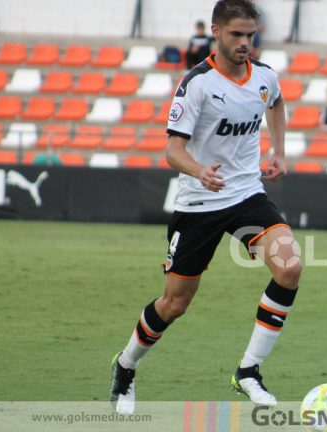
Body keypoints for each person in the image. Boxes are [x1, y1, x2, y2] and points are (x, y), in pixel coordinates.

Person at [110, 0, 299, 414]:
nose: (245, 43)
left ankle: (248, 372)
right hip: (198, 203)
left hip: (247, 195)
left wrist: (279, 151)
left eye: (250, 35)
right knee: (174, 304)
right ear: (216, 31)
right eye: (236, 34)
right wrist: (199, 170)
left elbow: (277, 103)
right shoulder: (196, 84)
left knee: (289, 266)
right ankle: (126, 367)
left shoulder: (265, 76)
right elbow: (172, 150)